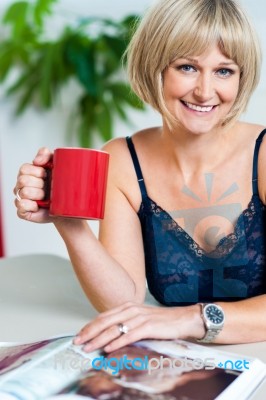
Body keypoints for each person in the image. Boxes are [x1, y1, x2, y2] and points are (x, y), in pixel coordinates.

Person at [14, 0, 266, 353]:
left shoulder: (263, 154)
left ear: (242, 78)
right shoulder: (122, 159)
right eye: (187, 67)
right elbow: (122, 301)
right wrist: (68, 223)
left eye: (224, 71)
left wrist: (188, 320)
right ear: (155, 68)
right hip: (180, 362)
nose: (205, 91)